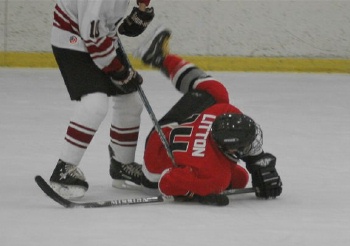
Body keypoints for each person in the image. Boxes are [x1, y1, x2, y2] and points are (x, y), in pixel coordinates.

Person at [133, 26, 283, 206]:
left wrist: (257, 159)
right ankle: (158, 57)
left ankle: (160, 58)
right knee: (236, 178)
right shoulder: (216, 176)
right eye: (245, 144)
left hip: (167, 135)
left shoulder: (221, 113)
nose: (252, 144)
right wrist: (195, 189)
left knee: (216, 92)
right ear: (229, 148)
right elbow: (166, 183)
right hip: (155, 170)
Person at [48, 0, 154, 199]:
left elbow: (98, 33)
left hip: (100, 34)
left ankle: (122, 165)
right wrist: (119, 71)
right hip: (72, 39)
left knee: (131, 100)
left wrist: (142, 7)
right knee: (95, 104)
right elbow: (92, 39)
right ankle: (63, 170)